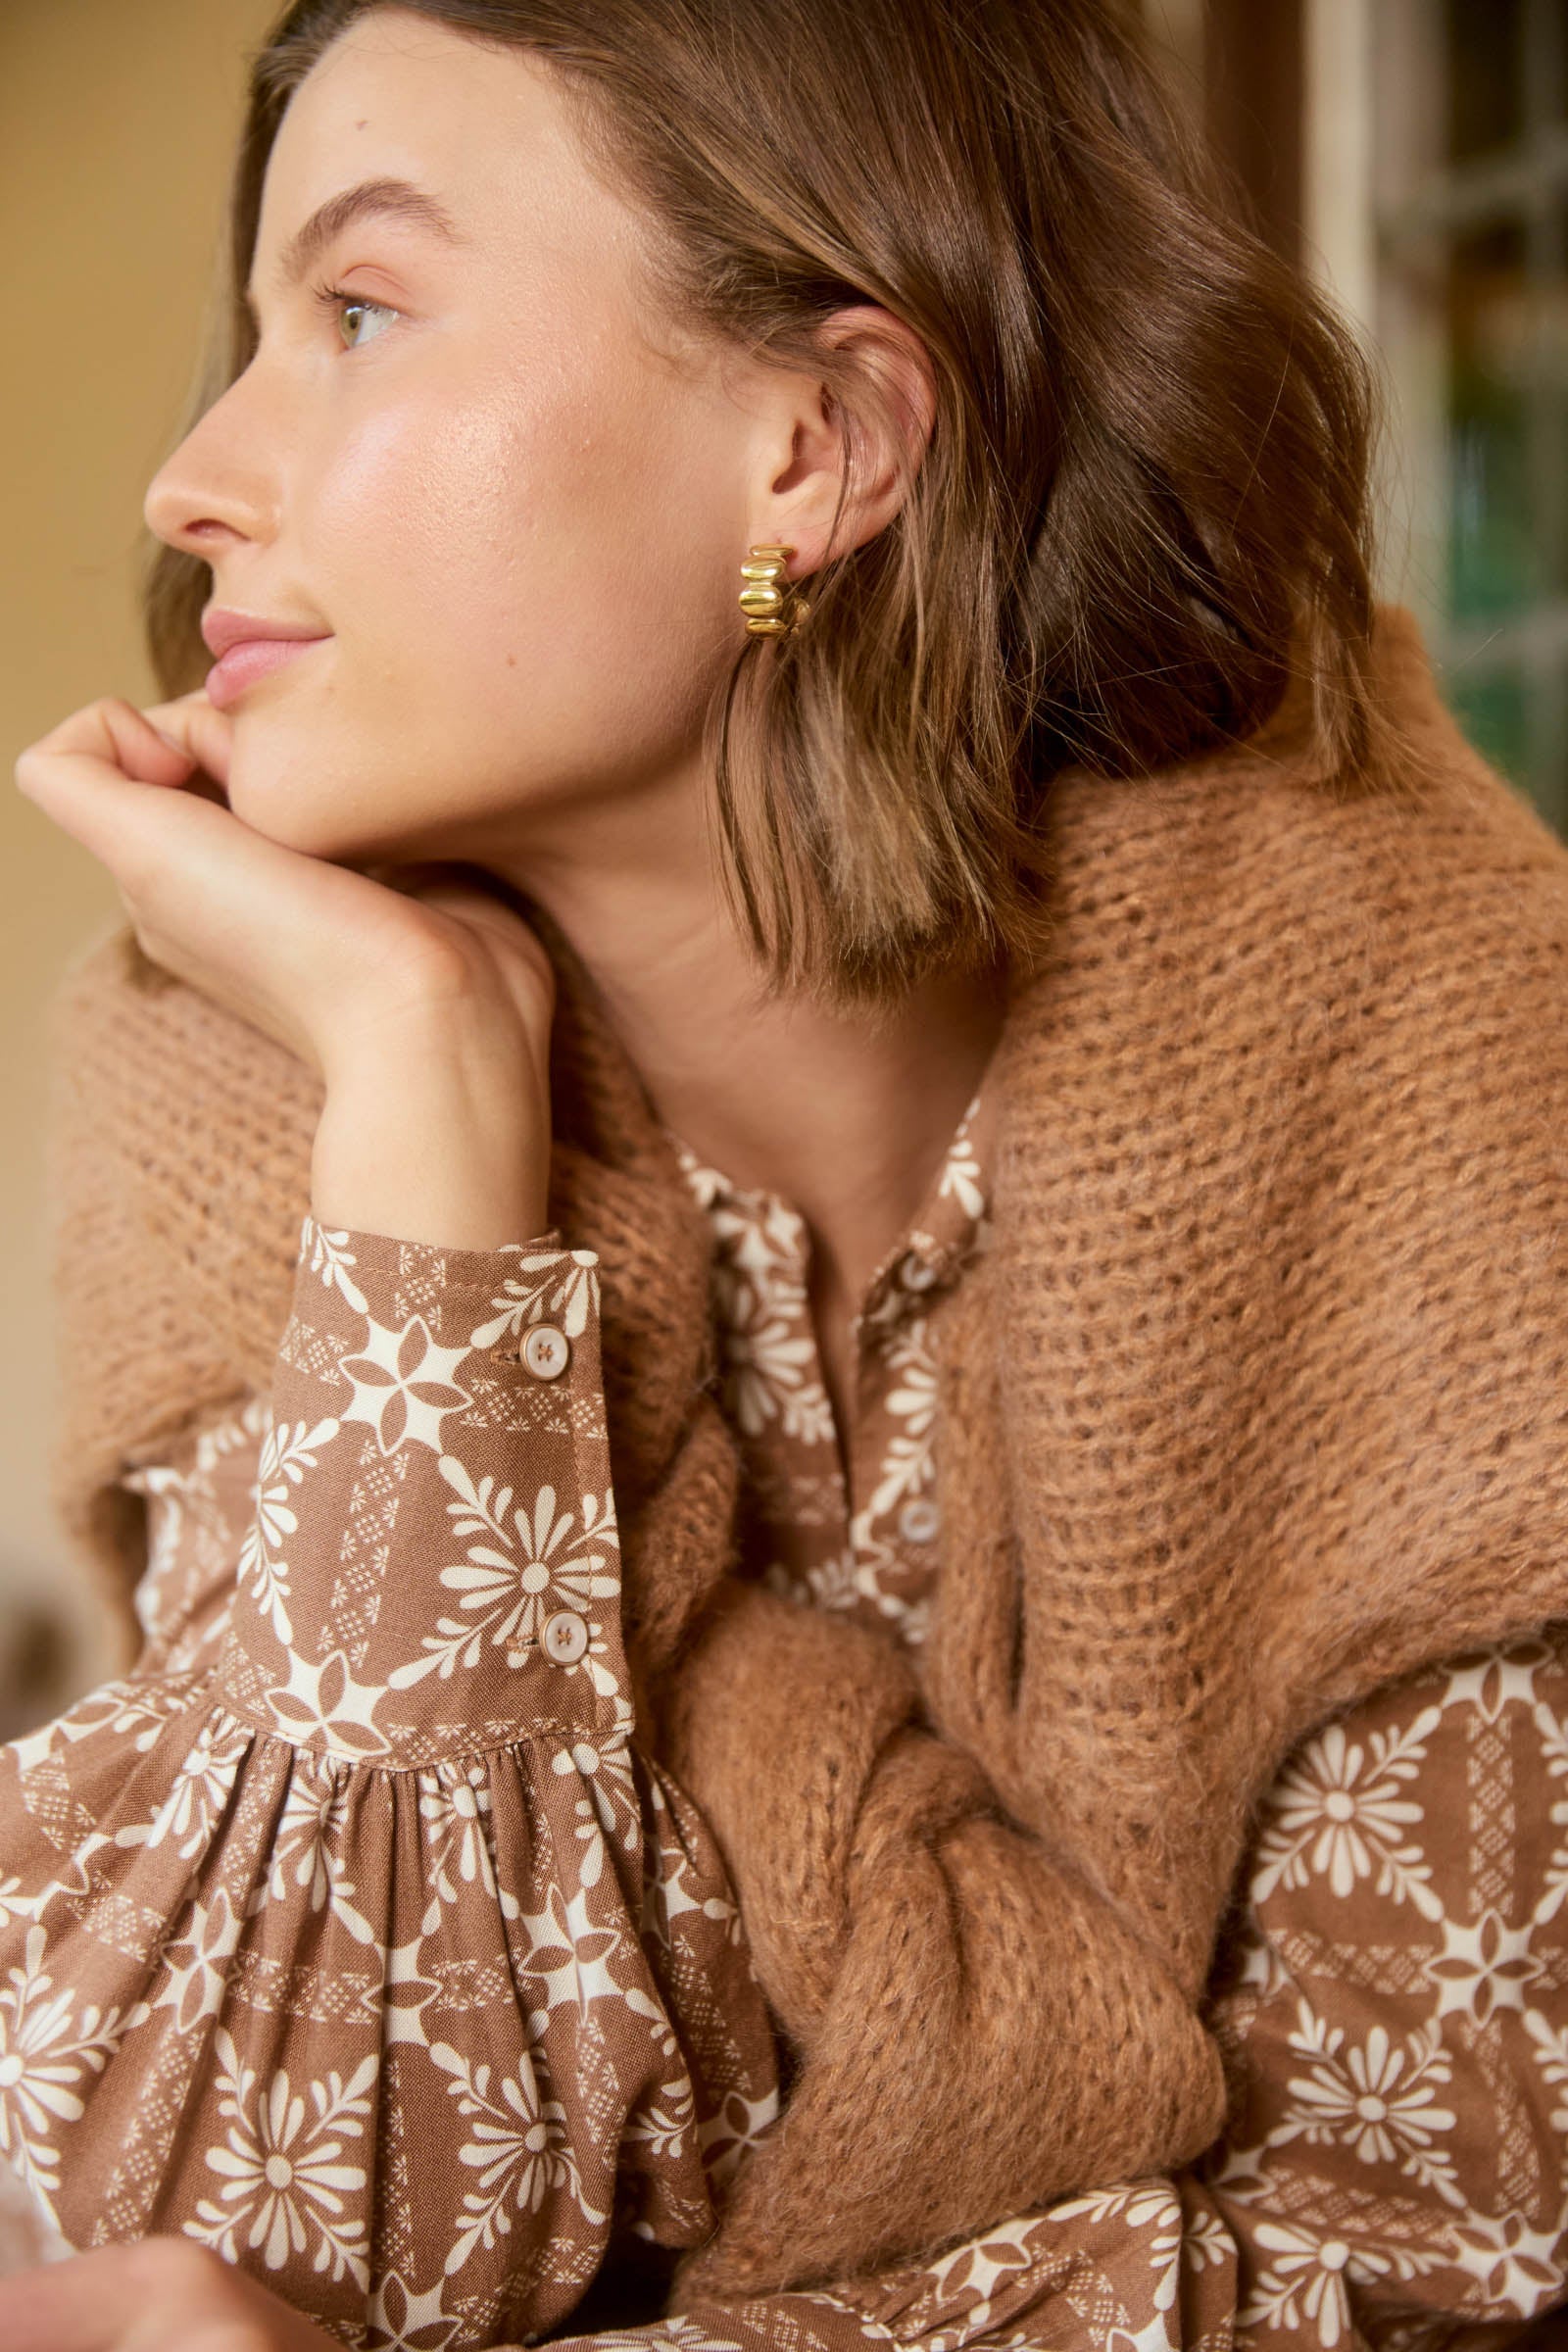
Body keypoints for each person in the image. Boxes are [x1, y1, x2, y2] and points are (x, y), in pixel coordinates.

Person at [4, 2, 1568, 2347]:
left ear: (815, 449)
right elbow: (315, 2188)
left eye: (358, 310)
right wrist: (427, 1091)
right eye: (255, 333)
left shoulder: (1435, 1064)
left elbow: (1431, 2251)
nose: (190, 478)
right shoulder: (247, 1084)